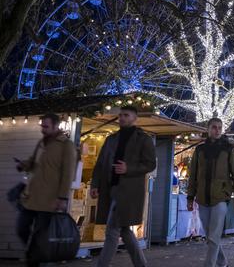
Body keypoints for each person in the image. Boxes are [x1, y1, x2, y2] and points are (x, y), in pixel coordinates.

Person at [91, 106, 156, 267]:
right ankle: (141, 264)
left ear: (135, 118)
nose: (122, 118)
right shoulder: (111, 139)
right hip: (110, 189)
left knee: (112, 230)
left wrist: (129, 169)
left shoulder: (143, 139)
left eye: (126, 115)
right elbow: (100, 164)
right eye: (120, 115)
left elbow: (150, 164)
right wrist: (95, 184)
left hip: (128, 192)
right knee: (125, 230)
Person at [15, 113, 77, 267]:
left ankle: (34, 260)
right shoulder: (41, 142)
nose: (42, 129)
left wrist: (62, 198)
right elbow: (34, 162)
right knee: (21, 227)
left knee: (41, 234)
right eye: (42, 126)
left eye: (46, 126)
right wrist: (24, 165)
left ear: (56, 126)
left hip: (50, 199)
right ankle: (32, 255)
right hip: (32, 195)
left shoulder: (66, 145)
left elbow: (68, 173)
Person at [187, 117, 234, 267]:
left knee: (214, 235)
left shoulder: (229, 149)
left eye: (219, 127)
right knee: (210, 235)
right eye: (214, 127)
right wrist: (190, 197)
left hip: (221, 197)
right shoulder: (200, 150)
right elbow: (193, 175)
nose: (217, 130)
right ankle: (223, 261)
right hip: (202, 197)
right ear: (208, 129)